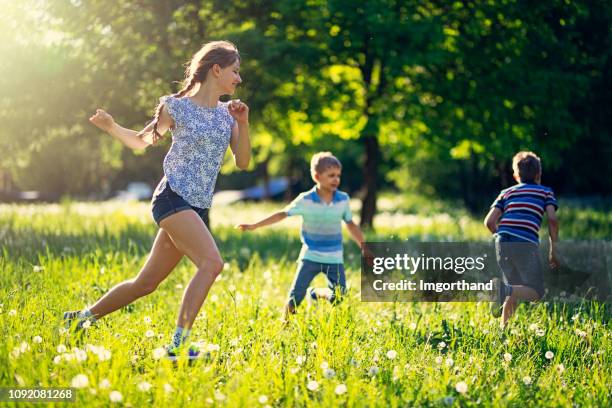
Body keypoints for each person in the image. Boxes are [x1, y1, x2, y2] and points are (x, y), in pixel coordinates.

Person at [63, 40, 251, 360]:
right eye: (235, 71)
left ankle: (81, 318)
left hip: (197, 207)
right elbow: (141, 141)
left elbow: (243, 161)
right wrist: (111, 127)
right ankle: (178, 346)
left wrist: (244, 124)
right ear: (216, 70)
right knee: (212, 263)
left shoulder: (229, 115)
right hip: (172, 197)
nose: (239, 78)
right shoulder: (175, 107)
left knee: (145, 283)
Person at [237, 152, 365, 321]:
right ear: (317, 176)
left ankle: (317, 293)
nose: (336, 180)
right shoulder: (305, 200)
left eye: (338, 176)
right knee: (295, 296)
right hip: (310, 256)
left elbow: (350, 224)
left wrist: (364, 246)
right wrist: (254, 225)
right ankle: (285, 324)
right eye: (331, 175)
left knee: (340, 296)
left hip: (334, 258)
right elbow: (282, 214)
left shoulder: (343, 200)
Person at [484, 151, 559, 328]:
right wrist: (553, 250)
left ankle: (504, 330)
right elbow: (553, 220)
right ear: (538, 174)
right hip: (525, 243)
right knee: (536, 292)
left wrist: (501, 238)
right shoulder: (545, 192)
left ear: (516, 176)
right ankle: (502, 290)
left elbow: (489, 221)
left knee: (514, 287)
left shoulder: (506, 192)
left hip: (502, 241)